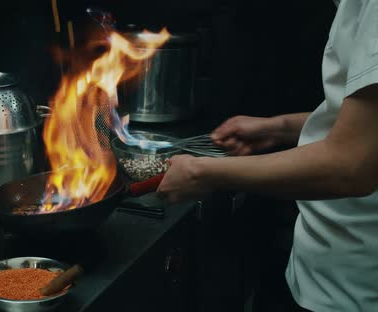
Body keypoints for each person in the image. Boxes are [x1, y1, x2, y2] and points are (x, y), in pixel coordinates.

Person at [156, 0, 378, 311]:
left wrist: (203, 173)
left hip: (350, 289)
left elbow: (350, 166)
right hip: (326, 269)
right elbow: (362, 128)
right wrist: (280, 128)